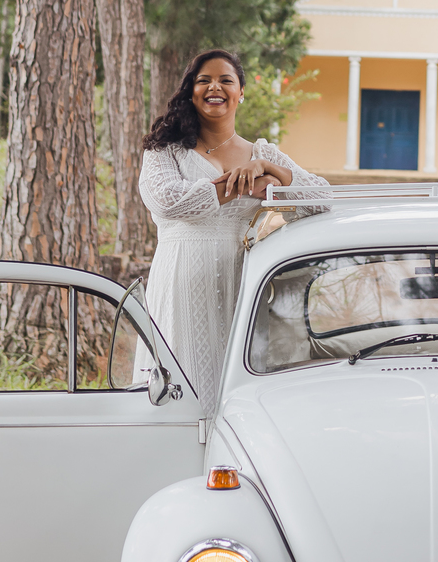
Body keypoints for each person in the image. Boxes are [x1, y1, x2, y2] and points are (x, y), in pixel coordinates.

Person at [139, 48, 329, 414]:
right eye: (203, 80)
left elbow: (321, 198)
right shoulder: (165, 151)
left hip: (242, 289)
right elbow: (168, 201)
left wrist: (272, 170)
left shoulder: (261, 152)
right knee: (181, 399)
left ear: (241, 92)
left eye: (226, 80)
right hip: (179, 288)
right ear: (190, 91)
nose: (215, 87)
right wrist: (241, 185)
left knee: (236, 399)